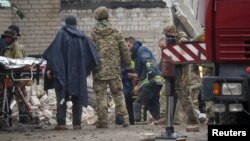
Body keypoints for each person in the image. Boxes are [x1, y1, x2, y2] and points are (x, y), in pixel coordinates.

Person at [42, 15, 98, 130]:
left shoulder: (61, 35)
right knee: (76, 97)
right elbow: (91, 56)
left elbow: (54, 54)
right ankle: (77, 124)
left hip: (61, 73)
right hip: (77, 75)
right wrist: (85, 71)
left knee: (60, 96)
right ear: (75, 24)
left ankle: (61, 123)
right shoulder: (82, 38)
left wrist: (51, 69)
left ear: (66, 23)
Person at [90, 6, 131, 128]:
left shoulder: (93, 32)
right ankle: (125, 120)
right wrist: (127, 63)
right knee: (118, 93)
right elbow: (124, 49)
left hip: (99, 70)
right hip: (114, 69)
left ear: (97, 16)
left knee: (101, 95)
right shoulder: (116, 31)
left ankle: (103, 121)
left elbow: (89, 50)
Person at [163, 24, 200, 128]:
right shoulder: (171, 41)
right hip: (175, 72)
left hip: (183, 74)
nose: (166, 36)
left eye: (167, 34)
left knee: (184, 97)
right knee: (170, 95)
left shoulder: (181, 39)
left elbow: (184, 43)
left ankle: (193, 119)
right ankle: (169, 119)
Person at [126, 36, 163, 123]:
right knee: (153, 104)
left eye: (127, 46)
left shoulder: (141, 51)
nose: (126, 49)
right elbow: (141, 73)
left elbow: (148, 62)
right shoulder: (136, 55)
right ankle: (158, 122)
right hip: (156, 81)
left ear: (132, 44)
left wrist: (149, 75)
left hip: (151, 80)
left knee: (138, 104)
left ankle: (140, 124)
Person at [1, 28, 29, 125]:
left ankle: (24, 118)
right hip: (10, 76)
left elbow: (18, 63)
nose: (6, 39)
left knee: (20, 97)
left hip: (17, 76)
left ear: (12, 38)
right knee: (6, 96)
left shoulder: (16, 47)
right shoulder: (7, 47)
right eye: (5, 37)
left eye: (8, 37)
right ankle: (6, 116)